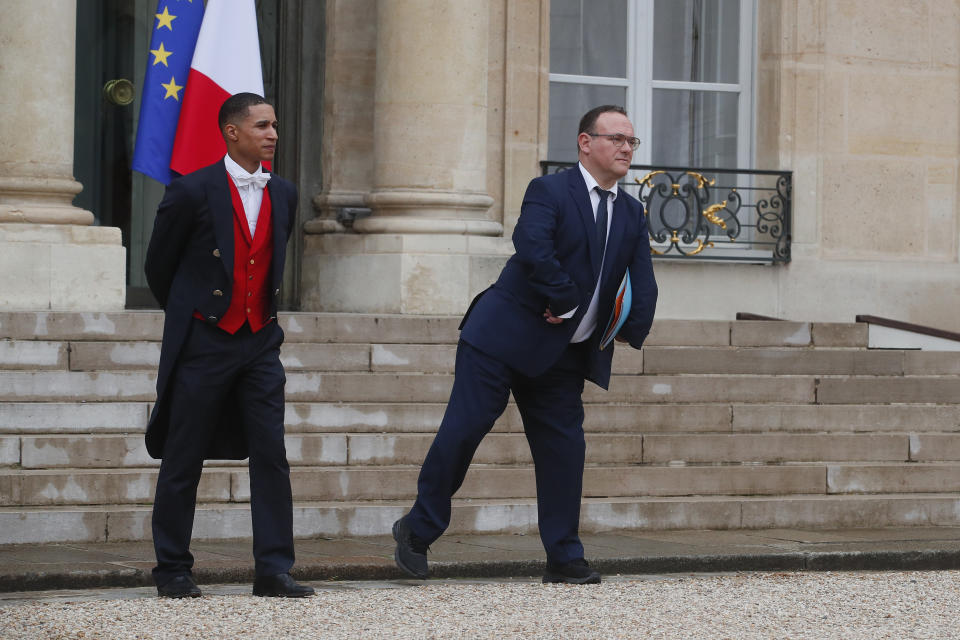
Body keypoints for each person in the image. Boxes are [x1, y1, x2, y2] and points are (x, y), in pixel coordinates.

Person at [393, 105, 658, 584]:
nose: (625, 149)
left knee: (564, 453)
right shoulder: (550, 190)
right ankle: (417, 529)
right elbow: (533, 246)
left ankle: (564, 557)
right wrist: (568, 300)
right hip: (501, 339)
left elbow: (642, 279)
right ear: (585, 142)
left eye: (631, 142)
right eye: (616, 139)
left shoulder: (633, 212)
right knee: (463, 433)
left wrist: (628, 328)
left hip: (562, 354)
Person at [144, 93, 313, 599]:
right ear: (231, 132)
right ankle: (172, 569)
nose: (273, 134)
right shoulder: (190, 190)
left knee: (271, 455)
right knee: (183, 455)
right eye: (262, 125)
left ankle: (274, 570)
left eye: (275, 125)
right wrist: (200, 314)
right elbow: (160, 268)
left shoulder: (283, 192)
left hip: (260, 342)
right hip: (205, 340)